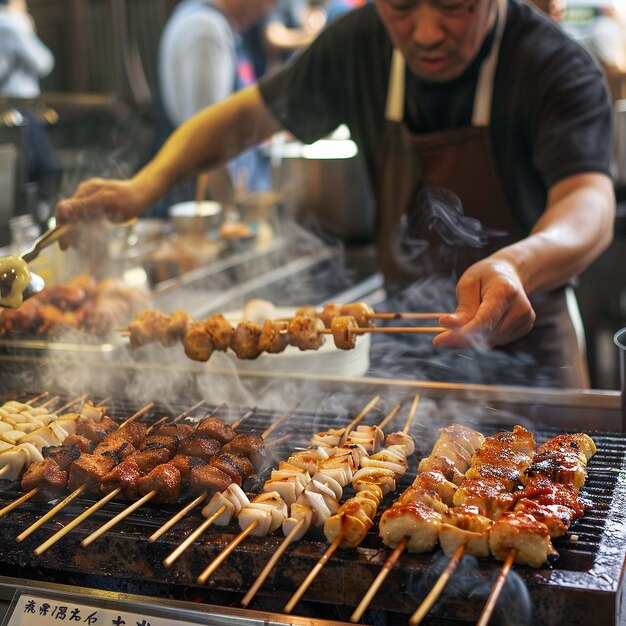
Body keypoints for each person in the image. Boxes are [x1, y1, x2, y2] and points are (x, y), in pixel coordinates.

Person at [56, 0, 616, 388]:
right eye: (399, 6)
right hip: (404, 352)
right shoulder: (362, 43)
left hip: (528, 353)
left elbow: (588, 205)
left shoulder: (550, 63)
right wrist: (145, 184)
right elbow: (245, 118)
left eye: (452, 5)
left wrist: (516, 263)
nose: (424, 32)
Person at [153, 0, 276, 213]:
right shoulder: (205, 30)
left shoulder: (222, 27)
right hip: (201, 210)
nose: (269, 9)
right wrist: (230, 215)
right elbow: (208, 138)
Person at [0, 0, 55, 190]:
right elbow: (44, 62)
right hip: (19, 104)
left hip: (6, 107)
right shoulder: (13, 24)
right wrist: (29, 29)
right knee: (40, 165)